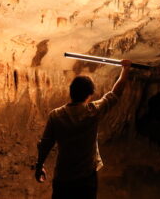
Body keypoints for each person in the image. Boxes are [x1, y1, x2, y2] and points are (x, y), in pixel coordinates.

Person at [35, 59, 132, 199]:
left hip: (64, 176)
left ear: (71, 92)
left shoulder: (55, 115)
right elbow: (116, 93)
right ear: (90, 95)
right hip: (86, 177)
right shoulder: (93, 111)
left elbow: (45, 144)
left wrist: (39, 166)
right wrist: (125, 69)